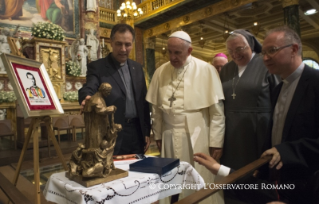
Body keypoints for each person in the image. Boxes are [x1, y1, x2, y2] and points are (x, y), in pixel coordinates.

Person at [194, 26, 319, 204]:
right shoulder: (280, 87)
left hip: (307, 183)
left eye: (272, 51)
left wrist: (285, 151)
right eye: (265, 52)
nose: (265, 57)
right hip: (280, 177)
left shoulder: (315, 82)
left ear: (294, 49)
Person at [146, 31, 225, 204]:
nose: (172, 57)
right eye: (169, 52)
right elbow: (157, 110)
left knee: (197, 179)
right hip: (168, 135)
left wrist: (216, 141)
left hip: (196, 135)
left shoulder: (206, 69)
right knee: (170, 180)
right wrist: (158, 135)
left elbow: (217, 112)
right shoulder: (160, 72)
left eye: (177, 53)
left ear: (189, 51)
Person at [79, 24, 151, 156]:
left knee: (139, 173)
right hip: (112, 132)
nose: (123, 49)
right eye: (119, 44)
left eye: (128, 44)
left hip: (137, 132)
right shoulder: (98, 67)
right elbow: (90, 86)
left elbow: (143, 102)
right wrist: (86, 97)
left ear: (132, 44)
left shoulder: (137, 68)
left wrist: (146, 131)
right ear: (111, 42)